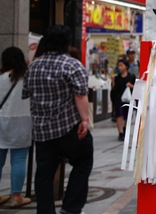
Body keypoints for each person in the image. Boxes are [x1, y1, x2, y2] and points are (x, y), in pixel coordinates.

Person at [22, 25, 93, 214]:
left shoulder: (33, 66)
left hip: (42, 131)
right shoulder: (72, 65)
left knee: (44, 173)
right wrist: (85, 120)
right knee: (83, 162)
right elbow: (80, 95)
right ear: (67, 44)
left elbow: (26, 93)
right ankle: (71, 208)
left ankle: (45, 211)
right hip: (69, 127)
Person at [0, 47, 32, 207]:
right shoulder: (27, 79)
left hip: (1, 120)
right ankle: (16, 196)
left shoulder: (0, 78)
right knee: (19, 159)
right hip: (22, 121)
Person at [110, 57, 135, 141]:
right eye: (118, 66)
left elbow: (136, 88)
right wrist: (113, 81)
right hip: (118, 100)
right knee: (119, 115)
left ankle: (125, 129)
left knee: (127, 116)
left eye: (121, 65)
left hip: (128, 100)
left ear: (126, 66)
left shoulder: (131, 77)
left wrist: (131, 86)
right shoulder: (116, 78)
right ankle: (120, 132)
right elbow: (113, 90)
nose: (119, 67)